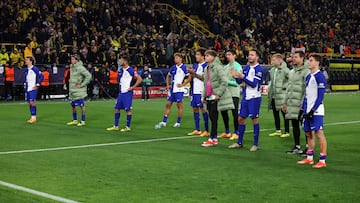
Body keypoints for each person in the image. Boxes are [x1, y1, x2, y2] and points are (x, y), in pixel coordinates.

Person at [228, 49, 264, 151]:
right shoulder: (246, 67)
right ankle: (239, 142)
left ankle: (255, 144)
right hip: (245, 97)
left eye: (252, 55)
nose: (250, 56)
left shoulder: (259, 69)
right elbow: (240, 81)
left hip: (254, 97)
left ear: (257, 57)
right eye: (249, 55)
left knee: (254, 119)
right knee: (241, 119)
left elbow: (253, 84)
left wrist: (242, 76)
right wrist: (235, 76)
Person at [297, 54, 327, 168]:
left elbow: (320, 97)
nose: (308, 63)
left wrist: (313, 110)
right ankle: (309, 158)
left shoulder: (320, 76)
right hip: (307, 110)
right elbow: (307, 95)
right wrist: (303, 109)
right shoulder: (309, 76)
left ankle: (322, 160)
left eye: (311, 60)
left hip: (317, 111)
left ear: (317, 63)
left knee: (319, 134)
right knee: (308, 133)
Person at [201, 49, 234, 147]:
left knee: (214, 118)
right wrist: (203, 96)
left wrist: (218, 94)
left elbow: (224, 81)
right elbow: (206, 83)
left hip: (215, 96)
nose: (205, 57)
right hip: (209, 96)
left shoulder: (218, 67)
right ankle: (214, 138)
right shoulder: (207, 68)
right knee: (212, 117)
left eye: (207, 56)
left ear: (212, 57)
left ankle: (212, 139)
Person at [282, 51, 310, 154]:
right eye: (293, 57)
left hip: (300, 104)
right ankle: (297, 146)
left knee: (305, 126)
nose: (293, 59)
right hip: (291, 103)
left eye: (296, 57)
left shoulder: (306, 71)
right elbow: (288, 89)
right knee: (294, 125)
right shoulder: (291, 72)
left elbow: (307, 89)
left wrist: (303, 104)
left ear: (302, 58)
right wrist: (285, 102)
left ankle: (308, 147)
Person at [155, 53, 191, 129]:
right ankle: (164, 121)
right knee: (168, 104)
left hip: (179, 90)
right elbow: (168, 75)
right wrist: (168, 85)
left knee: (179, 106)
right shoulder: (173, 67)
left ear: (181, 59)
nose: (176, 59)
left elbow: (189, 77)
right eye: (175, 58)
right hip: (172, 89)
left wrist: (183, 84)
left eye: (177, 58)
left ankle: (178, 122)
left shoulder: (184, 68)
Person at [107, 56, 142, 131]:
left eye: (121, 60)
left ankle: (127, 127)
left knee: (127, 110)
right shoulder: (121, 70)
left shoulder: (130, 70)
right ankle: (116, 126)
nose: (120, 61)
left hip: (127, 93)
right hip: (121, 93)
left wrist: (133, 87)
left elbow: (139, 79)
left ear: (125, 61)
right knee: (116, 108)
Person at [218, 49, 242, 140]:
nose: (227, 56)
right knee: (223, 111)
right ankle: (227, 131)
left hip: (234, 93)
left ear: (234, 55)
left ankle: (236, 132)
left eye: (229, 54)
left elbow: (238, 83)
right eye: (226, 54)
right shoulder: (226, 67)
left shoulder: (237, 66)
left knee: (234, 113)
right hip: (226, 93)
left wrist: (226, 81)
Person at [186, 47, 209, 137]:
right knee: (195, 108)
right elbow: (193, 78)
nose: (196, 56)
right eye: (196, 54)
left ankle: (207, 130)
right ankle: (198, 129)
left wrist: (194, 73)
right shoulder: (195, 65)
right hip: (194, 91)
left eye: (198, 54)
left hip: (201, 91)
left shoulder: (206, 66)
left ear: (203, 56)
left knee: (203, 109)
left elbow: (205, 78)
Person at [268, 54, 290, 137]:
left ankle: (287, 132)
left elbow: (290, 80)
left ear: (280, 60)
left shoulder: (285, 70)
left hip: (282, 96)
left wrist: (284, 87)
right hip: (274, 95)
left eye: (274, 60)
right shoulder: (273, 70)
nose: (272, 61)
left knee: (284, 114)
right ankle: (278, 130)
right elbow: (272, 81)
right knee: (275, 113)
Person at [66, 55, 92, 127]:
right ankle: (75, 120)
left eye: (73, 59)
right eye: (71, 59)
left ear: (76, 60)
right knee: (73, 105)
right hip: (72, 90)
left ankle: (83, 120)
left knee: (81, 105)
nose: (71, 60)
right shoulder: (72, 67)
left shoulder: (81, 68)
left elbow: (89, 76)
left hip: (79, 90)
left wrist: (82, 84)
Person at [24, 56, 43, 124]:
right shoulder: (26, 69)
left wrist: (37, 84)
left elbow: (41, 76)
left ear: (30, 61)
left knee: (32, 102)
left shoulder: (34, 69)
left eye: (27, 60)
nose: (25, 61)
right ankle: (32, 116)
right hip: (28, 88)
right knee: (29, 102)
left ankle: (34, 118)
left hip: (33, 88)